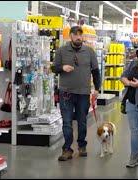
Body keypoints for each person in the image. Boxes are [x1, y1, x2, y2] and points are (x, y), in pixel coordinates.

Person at [54, 26, 101, 161]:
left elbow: (96, 71)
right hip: (66, 92)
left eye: (80, 35)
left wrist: (97, 89)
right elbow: (54, 68)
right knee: (67, 122)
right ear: (70, 36)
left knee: (82, 121)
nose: (78, 37)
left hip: (83, 93)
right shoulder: (61, 51)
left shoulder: (90, 52)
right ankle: (67, 149)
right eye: (75, 35)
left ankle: (82, 145)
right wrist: (62, 67)